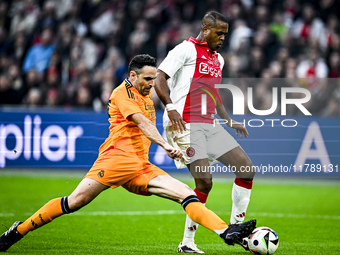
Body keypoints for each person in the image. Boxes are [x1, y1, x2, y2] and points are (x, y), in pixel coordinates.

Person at [0, 54, 256, 252]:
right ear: (132, 75)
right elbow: (142, 124)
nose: (151, 84)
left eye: (154, 79)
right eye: (147, 79)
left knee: (187, 194)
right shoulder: (121, 94)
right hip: (113, 162)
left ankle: (225, 231)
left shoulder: (146, 94)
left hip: (141, 167)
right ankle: (18, 231)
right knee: (74, 202)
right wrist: (165, 146)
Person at [154, 11, 256, 254]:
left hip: (210, 124)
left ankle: (236, 227)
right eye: (219, 33)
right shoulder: (185, 49)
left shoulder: (217, 60)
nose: (222, 38)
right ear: (206, 28)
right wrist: (170, 108)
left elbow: (214, 94)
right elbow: (160, 78)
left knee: (246, 170)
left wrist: (229, 120)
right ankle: (187, 243)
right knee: (204, 181)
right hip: (185, 124)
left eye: (225, 35)